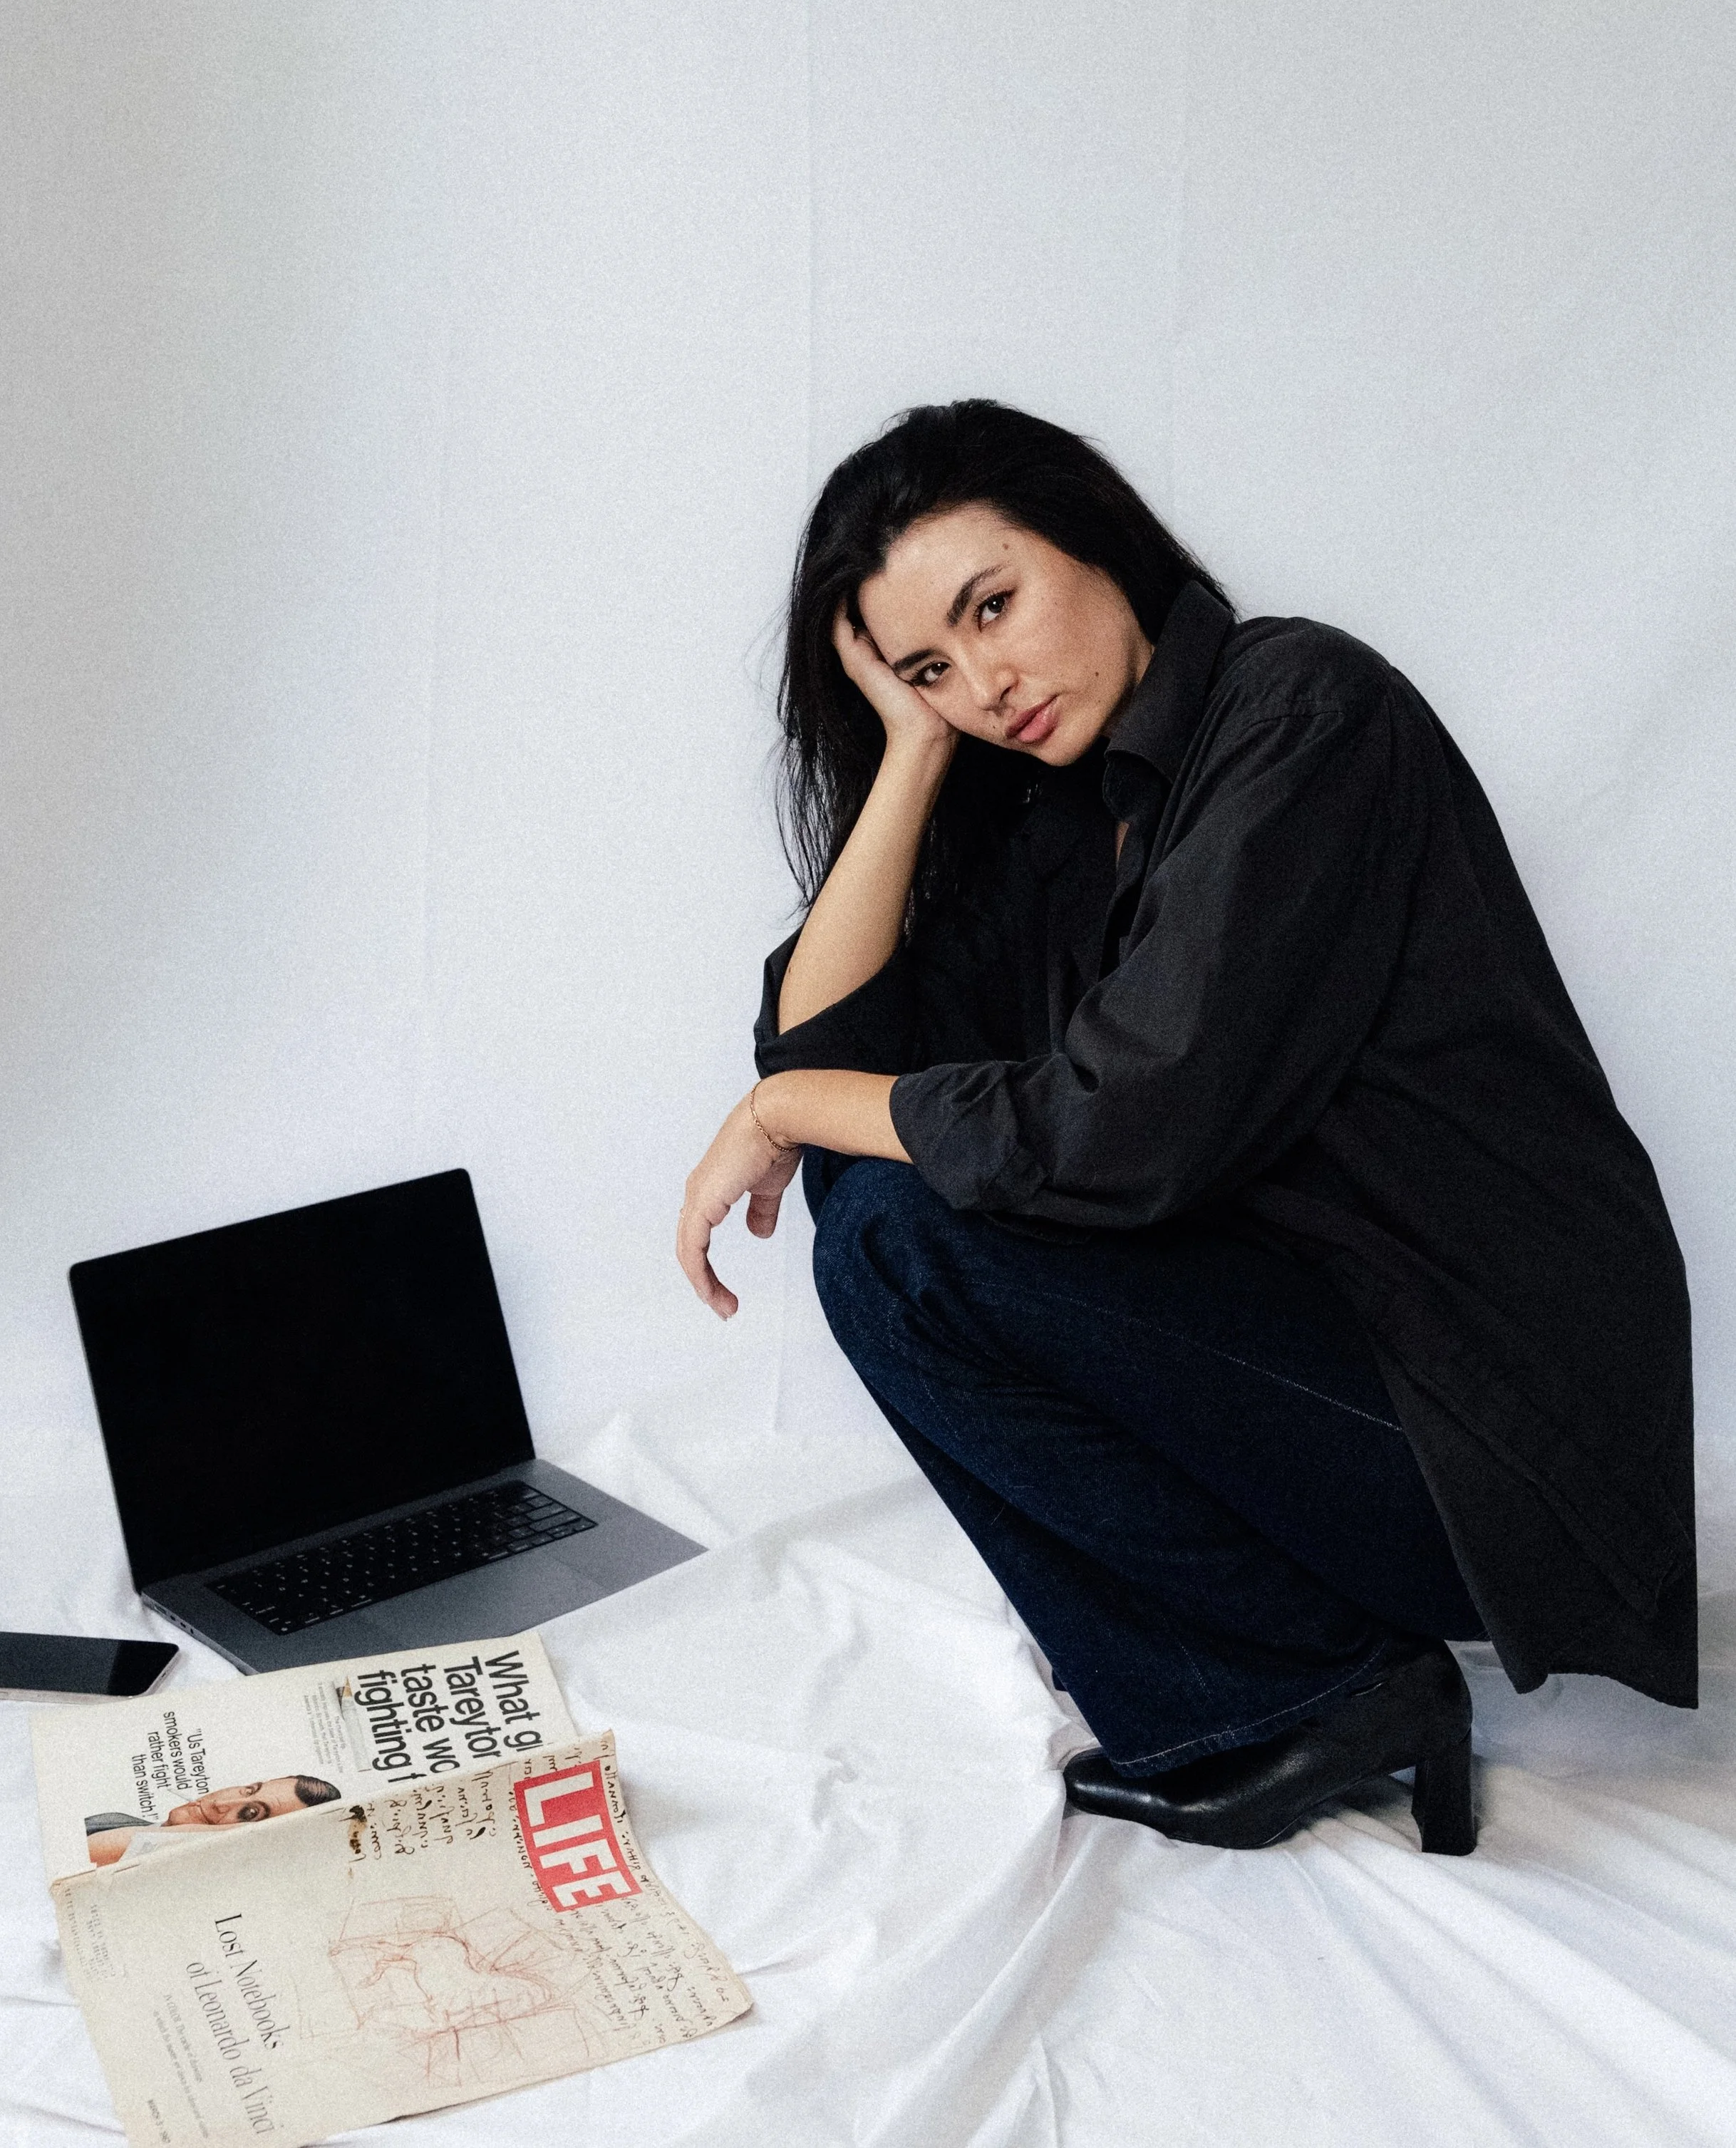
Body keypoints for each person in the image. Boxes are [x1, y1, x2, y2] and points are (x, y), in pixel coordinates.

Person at [676, 400, 1696, 1855]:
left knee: (903, 1235)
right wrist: (908, 752)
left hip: (1487, 1434)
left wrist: (782, 1106)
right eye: (930, 664)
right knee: (881, 1182)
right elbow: (829, 1056)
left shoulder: (1307, 715)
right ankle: (1287, 1684)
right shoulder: (1063, 809)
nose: (986, 682)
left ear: (1090, 534)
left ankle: (1314, 1680)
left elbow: (1122, 1127)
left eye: (991, 605)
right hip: (1337, 1373)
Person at [85, 1772, 341, 1866]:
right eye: (249, 1790)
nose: (220, 1804)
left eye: (250, 1813)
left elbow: (82, 1858)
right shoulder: (117, 1819)